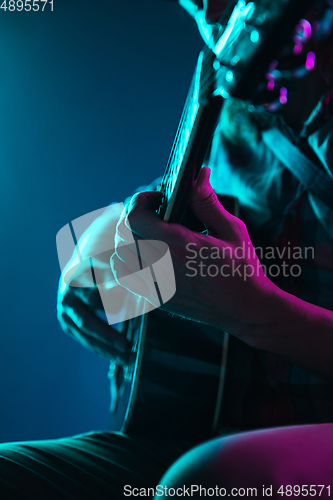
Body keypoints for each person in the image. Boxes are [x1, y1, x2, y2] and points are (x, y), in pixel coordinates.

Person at [1, 0, 333, 498]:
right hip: (203, 431)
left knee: (204, 481)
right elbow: (190, 203)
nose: (203, 5)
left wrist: (257, 313)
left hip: (270, 446)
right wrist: (98, 240)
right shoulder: (241, 88)